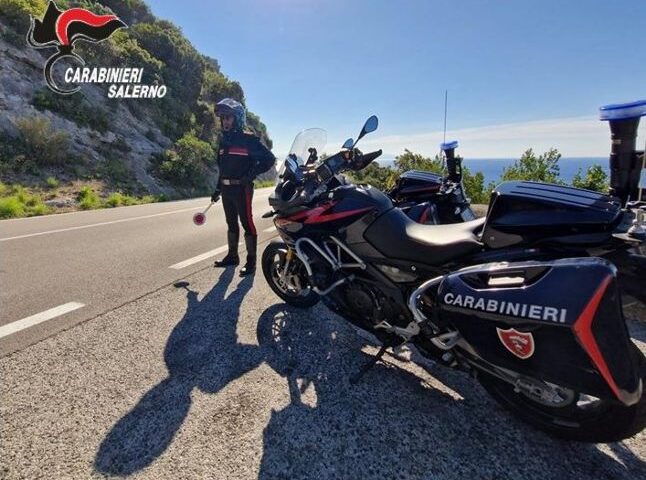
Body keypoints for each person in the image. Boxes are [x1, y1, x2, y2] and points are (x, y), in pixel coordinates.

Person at [211, 98, 275, 276]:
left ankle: (251, 263)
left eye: (229, 118)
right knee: (231, 223)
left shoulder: (249, 140)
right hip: (226, 189)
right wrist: (217, 189)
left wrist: (250, 175)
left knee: (247, 223)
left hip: (242, 189)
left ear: (237, 119)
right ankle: (232, 257)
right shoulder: (223, 142)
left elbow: (269, 159)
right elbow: (222, 169)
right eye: (223, 118)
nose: (225, 121)